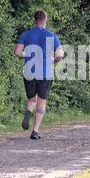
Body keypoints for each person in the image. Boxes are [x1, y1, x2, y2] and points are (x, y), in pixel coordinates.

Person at [14, 10, 64, 139]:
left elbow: (18, 52)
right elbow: (60, 55)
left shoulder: (26, 34)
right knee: (41, 104)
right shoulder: (53, 36)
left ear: (34, 21)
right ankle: (35, 131)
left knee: (32, 99)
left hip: (29, 72)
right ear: (46, 21)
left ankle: (28, 113)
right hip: (45, 73)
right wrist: (54, 61)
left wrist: (27, 55)